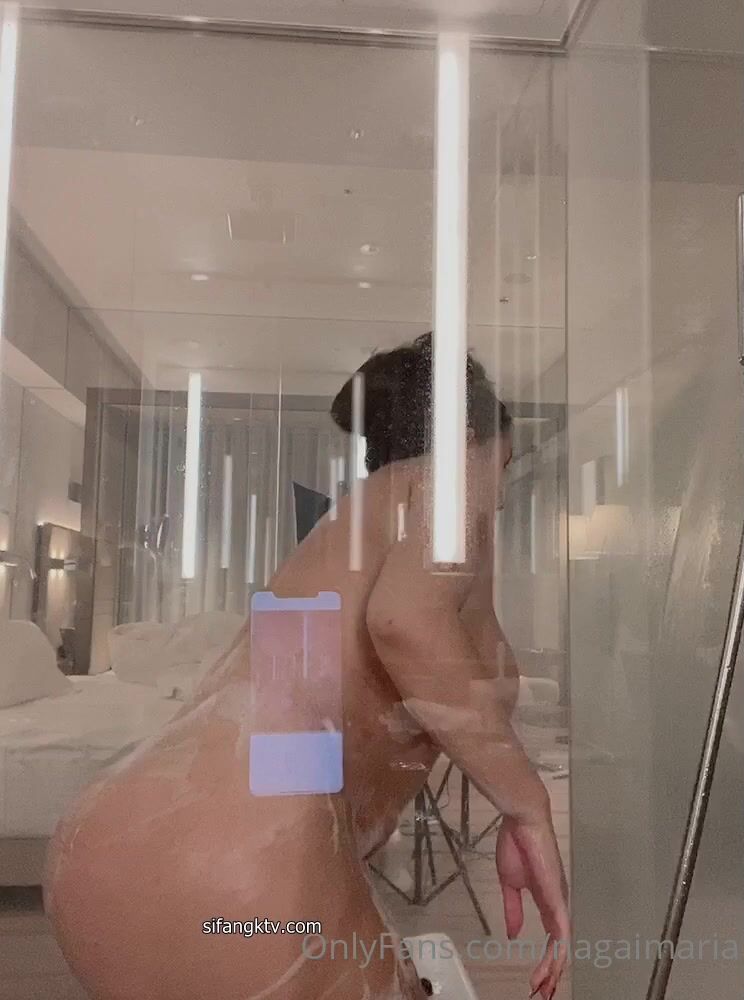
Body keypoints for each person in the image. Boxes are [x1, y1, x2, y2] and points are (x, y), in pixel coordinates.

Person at [45, 333, 569, 1000]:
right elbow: (404, 624)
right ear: (467, 443)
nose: (501, 494)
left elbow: (295, 722)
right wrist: (528, 806)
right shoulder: (446, 486)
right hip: (233, 867)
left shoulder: (345, 534)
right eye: (506, 464)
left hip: (125, 836)